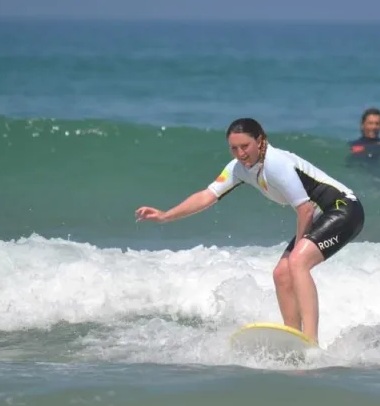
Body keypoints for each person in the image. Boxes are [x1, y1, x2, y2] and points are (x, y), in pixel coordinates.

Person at [135, 117, 365, 344]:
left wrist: (297, 249)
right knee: (281, 274)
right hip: (320, 216)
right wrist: (165, 215)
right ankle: (293, 337)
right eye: (234, 148)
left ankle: (311, 341)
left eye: (245, 146)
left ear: (260, 140)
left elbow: (304, 210)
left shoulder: (276, 163)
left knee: (297, 262)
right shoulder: (238, 169)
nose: (240, 154)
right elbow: (208, 195)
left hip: (344, 209)